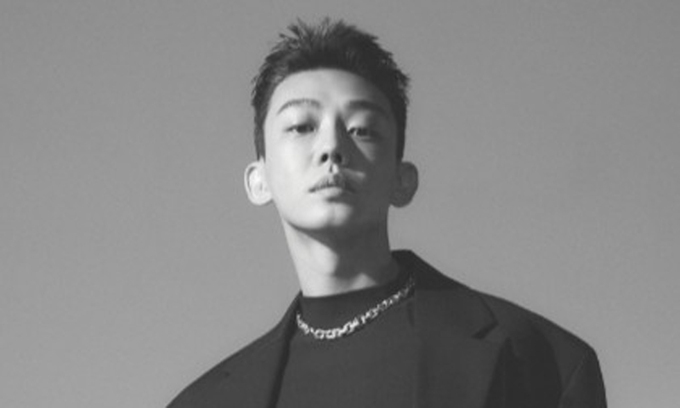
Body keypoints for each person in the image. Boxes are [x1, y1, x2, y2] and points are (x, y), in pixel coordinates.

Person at [168, 18, 606, 408]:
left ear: (403, 180)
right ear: (258, 180)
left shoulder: (540, 363)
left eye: (362, 129)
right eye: (301, 126)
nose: (332, 147)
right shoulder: (204, 402)